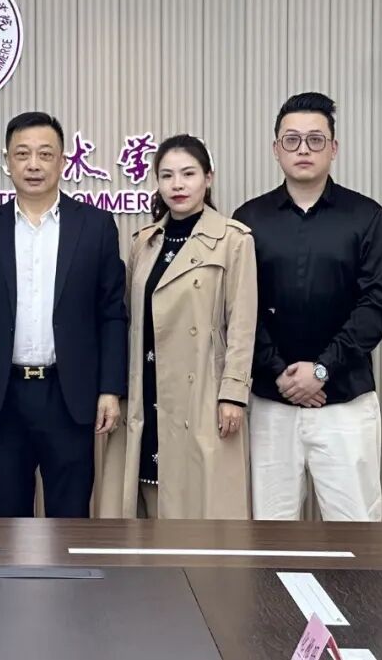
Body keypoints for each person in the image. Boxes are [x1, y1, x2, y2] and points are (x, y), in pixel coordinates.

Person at [0, 111, 127, 518]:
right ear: (7, 161)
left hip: (69, 396)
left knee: (70, 519)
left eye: (45, 154)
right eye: (23, 154)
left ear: (63, 160)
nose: (33, 164)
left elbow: (112, 315)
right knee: (7, 519)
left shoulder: (95, 227)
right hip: (1, 397)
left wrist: (110, 389)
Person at [233, 92, 382, 522]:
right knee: (271, 532)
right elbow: (239, 308)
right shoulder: (248, 219)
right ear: (276, 149)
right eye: (292, 140)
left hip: (344, 402)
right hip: (272, 401)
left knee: (356, 529)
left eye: (315, 139)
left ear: (333, 148)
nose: (303, 149)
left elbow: (377, 305)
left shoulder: (366, 216)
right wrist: (279, 372)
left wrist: (322, 370)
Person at [96, 135, 256, 519]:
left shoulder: (233, 240)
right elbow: (128, 320)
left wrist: (233, 394)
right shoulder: (145, 242)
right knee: (139, 497)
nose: (177, 185)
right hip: (146, 385)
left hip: (202, 391)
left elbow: (242, 324)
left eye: (188, 174)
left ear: (208, 178)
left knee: (198, 506)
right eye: (167, 176)